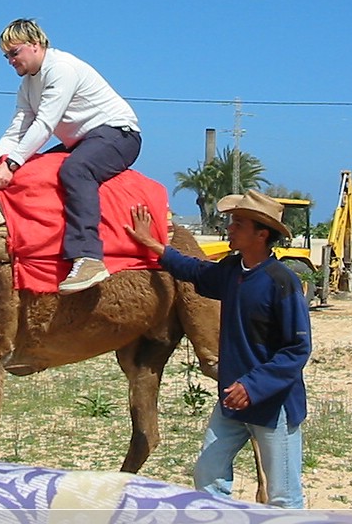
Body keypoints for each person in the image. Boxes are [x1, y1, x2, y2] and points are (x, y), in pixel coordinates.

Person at [125, 189, 311, 508]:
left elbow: (297, 349)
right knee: (208, 477)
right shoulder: (232, 271)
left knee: (284, 497)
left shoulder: (282, 281)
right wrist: (153, 245)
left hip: (272, 405)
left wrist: (252, 387)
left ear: (261, 234)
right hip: (232, 401)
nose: (229, 228)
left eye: (238, 223)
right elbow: (194, 271)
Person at [0, 18, 142, 294]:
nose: (9, 60)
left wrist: (9, 164)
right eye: (5, 55)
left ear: (35, 45)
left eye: (13, 52)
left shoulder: (61, 69)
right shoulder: (26, 87)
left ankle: (89, 257)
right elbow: (16, 132)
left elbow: (44, 125)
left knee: (75, 170)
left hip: (119, 135)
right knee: (33, 167)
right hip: (81, 140)